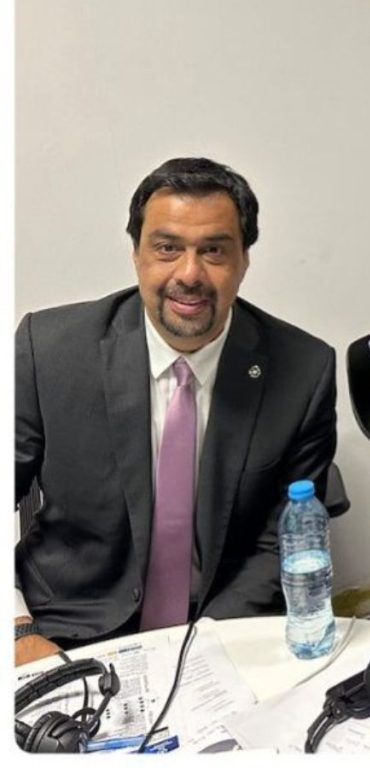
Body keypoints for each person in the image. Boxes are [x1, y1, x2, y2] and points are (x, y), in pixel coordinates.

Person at [15, 157, 338, 666]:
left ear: (244, 260)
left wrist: (200, 646)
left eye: (213, 250)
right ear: (137, 255)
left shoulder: (303, 369)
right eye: (167, 248)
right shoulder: (50, 351)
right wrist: (17, 629)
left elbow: (281, 539)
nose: (189, 274)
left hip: (221, 630)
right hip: (66, 629)